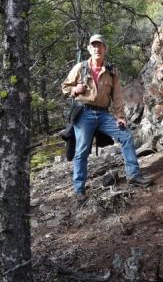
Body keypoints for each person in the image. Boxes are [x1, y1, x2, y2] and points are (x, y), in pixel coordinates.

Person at [61, 34, 153, 202]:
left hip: (103, 114)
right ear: (89, 49)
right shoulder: (80, 68)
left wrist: (120, 116)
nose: (97, 48)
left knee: (126, 136)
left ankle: (133, 175)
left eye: (100, 45)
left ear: (105, 49)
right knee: (81, 151)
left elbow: (117, 96)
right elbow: (65, 87)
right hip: (83, 113)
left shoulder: (111, 71)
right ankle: (79, 189)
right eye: (93, 45)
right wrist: (75, 90)